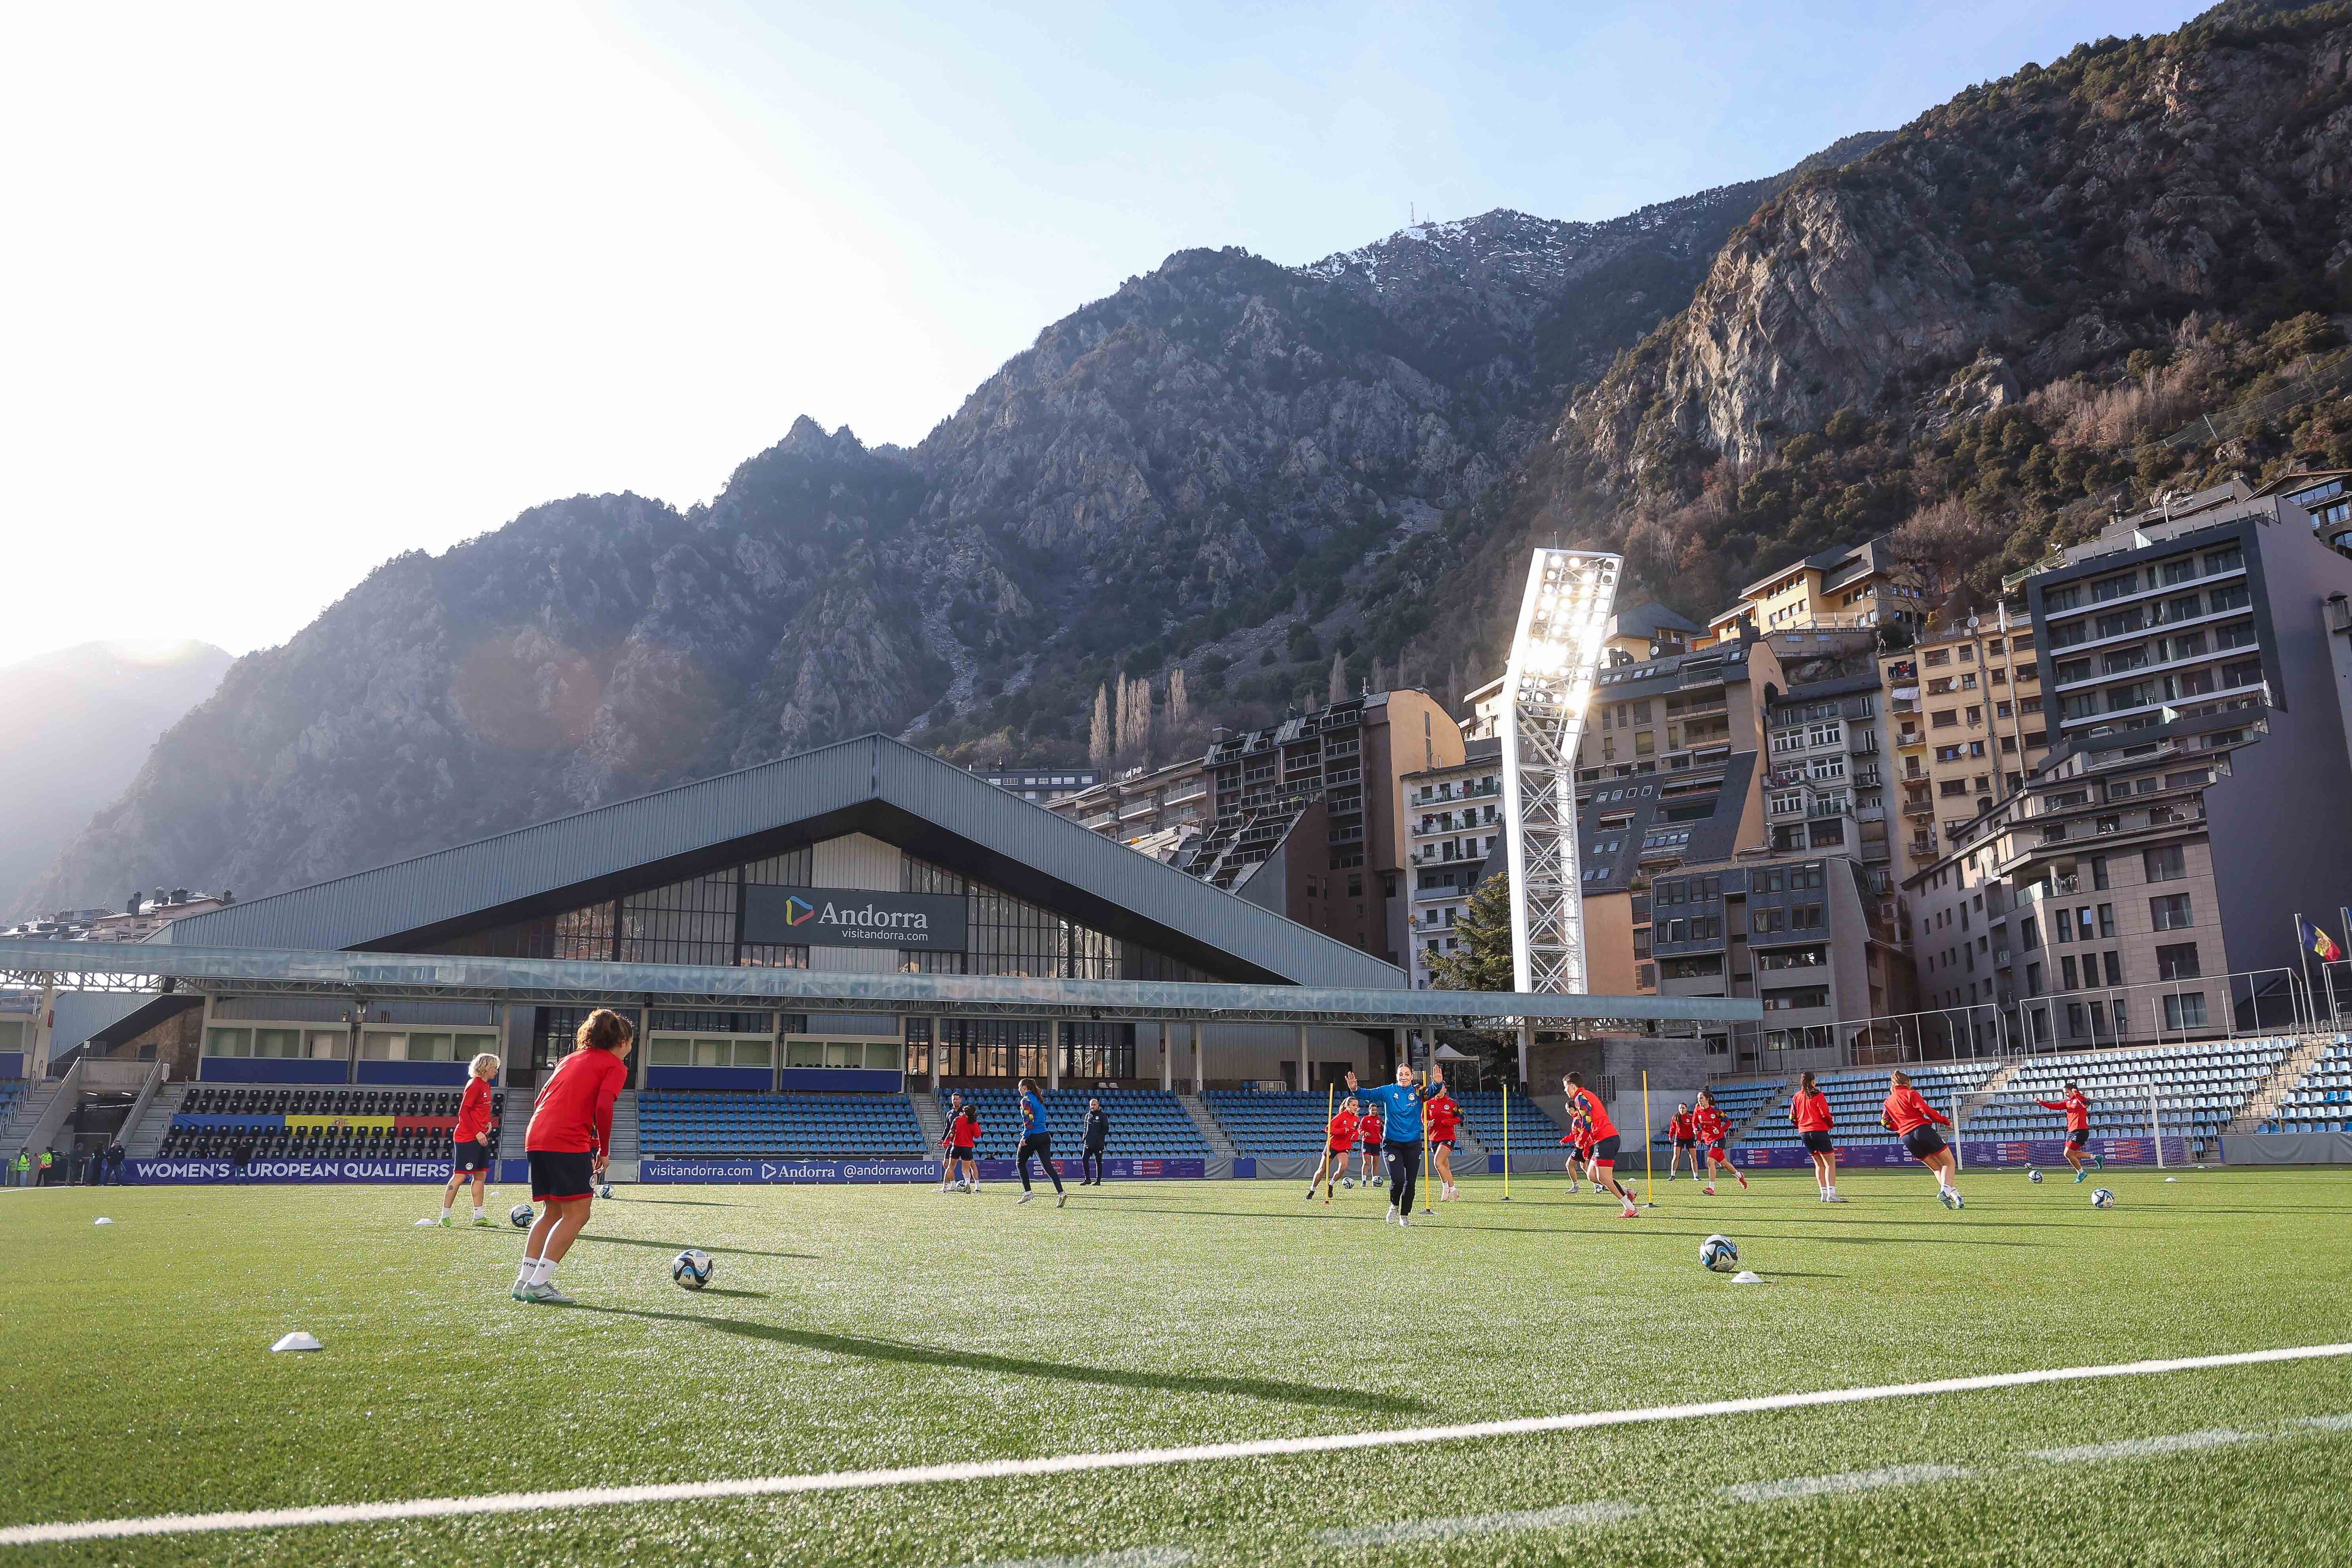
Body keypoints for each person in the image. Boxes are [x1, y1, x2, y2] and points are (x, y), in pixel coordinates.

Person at [515, 1008, 633, 1303]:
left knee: (551, 1213)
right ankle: (539, 1284)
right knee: (578, 1214)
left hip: (537, 1135)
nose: (631, 1048)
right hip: (565, 1139)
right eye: (631, 1042)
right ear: (621, 1041)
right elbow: (604, 1107)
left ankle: (524, 1280)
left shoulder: (570, 1059)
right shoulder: (614, 1065)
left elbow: (544, 1097)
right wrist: (604, 1149)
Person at [1342, 1061, 1438, 1226]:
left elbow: (1434, 1091)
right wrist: (1355, 1089)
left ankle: (1404, 1215)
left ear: (1412, 1076)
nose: (1404, 1077)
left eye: (1407, 1074)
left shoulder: (1418, 1091)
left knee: (1411, 1182)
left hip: (1413, 1143)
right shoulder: (1389, 1091)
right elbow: (1369, 1094)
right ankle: (1394, 1206)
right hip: (1392, 1143)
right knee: (1398, 1180)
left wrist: (1438, 1082)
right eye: (1401, 1074)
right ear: (1397, 1076)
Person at [1881, 1068, 1963, 1209]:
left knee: (1937, 1168)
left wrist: (1900, 1126)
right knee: (1949, 1163)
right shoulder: (1911, 1093)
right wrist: (1945, 1121)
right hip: (1921, 1130)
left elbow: (1885, 1122)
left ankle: (1954, 1195)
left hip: (1907, 1138)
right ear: (1907, 1083)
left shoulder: (1888, 1101)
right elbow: (1926, 1110)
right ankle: (1945, 1191)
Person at [437, 1052, 502, 1227]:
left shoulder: (486, 1086)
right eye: (494, 1067)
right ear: (485, 1067)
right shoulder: (475, 1085)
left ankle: (479, 1217)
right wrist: (477, 1132)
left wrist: (487, 1123)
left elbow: (479, 1111)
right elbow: (463, 1113)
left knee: (480, 1175)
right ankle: (445, 1216)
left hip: (480, 1136)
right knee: (460, 1176)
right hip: (468, 1137)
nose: (496, 1071)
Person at [1562, 1073, 1640, 1219]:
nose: (1565, 1091)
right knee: (1592, 1175)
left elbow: (1588, 1121)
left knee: (1603, 1177)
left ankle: (1630, 1208)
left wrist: (1581, 1141)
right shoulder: (1585, 1095)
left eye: (1566, 1087)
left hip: (1606, 1138)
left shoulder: (1580, 1097)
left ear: (1572, 1086)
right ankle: (1627, 1191)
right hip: (1602, 1139)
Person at [1789, 1071, 1842, 1203]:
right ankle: (1832, 1194)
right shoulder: (1818, 1095)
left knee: (1819, 1164)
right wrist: (1830, 1124)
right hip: (1818, 1130)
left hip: (1804, 1133)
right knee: (1830, 1164)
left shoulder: (1796, 1097)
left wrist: (1801, 1126)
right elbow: (1825, 1113)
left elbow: (1792, 1117)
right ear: (1813, 1082)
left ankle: (1823, 1194)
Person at [2034, 1081, 2101, 1181]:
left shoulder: (2080, 1099)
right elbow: (2055, 1106)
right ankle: (2096, 1158)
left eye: (2067, 1092)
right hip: (2071, 1131)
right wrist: (2042, 1103)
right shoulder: (2067, 1102)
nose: (2066, 1094)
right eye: (2065, 1092)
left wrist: (2077, 1094)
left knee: (2068, 1154)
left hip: (2081, 1131)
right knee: (2071, 1154)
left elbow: (2086, 1105)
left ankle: (2081, 1173)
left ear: (2073, 1091)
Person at [1014, 1077, 1065, 1206]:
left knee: (1020, 1163)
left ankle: (1028, 1192)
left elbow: (1029, 1121)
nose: (1019, 1090)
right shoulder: (1038, 1099)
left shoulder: (1026, 1100)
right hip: (1045, 1135)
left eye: (1020, 1087)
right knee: (1048, 1167)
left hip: (1033, 1136)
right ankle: (1061, 1192)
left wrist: (1024, 1137)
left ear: (1024, 1088)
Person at [1692, 1089, 1748, 1195]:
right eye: (1698, 1099)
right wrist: (1697, 1134)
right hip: (1708, 1140)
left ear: (1707, 1099)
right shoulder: (1697, 1109)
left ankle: (1711, 1188)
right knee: (1725, 1164)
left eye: (1701, 1099)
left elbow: (1729, 1123)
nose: (1700, 1101)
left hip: (1719, 1139)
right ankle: (1740, 1176)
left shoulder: (1717, 1111)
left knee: (1710, 1161)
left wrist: (1720, 1130)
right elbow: (1695, 1123)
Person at [1308, 1096, 1361, 1204]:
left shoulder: (1356, 1119)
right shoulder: (1341, 1116)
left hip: (1344, 1147)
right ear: (1347, 1106)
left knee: (1343, 1167)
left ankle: (1331, 1184)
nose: (1356, 1107)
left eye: (1357, 1105)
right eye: (1354, 1105)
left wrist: (1355, 1136)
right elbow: (1328, 1129)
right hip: (1332, 1145)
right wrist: (1342, 1131)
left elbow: (1355, 1131)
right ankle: (1312, 1190)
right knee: (1322, 1170)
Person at [1424, 1083, 1463, 1201]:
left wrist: (1448, 1122)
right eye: (1437, 1089)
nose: (1439, 1091)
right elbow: (1424, 1118)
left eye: (1441, 1089)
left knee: (1437, 1162)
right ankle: (1454, 1191)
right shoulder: (1429, 1103)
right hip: (1434, 1138)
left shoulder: (1452, 1103)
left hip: (1448, 1138)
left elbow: (1461, 1117)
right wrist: (1427, 1123)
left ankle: (1445, 1187)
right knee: (1445, 1167)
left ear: (1445, 1090)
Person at [936, 1092, 968, 1193]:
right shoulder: (949, 1113)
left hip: (963, 1142)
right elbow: (947, 1128)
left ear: (961, 1100)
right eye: (953, 1099)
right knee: (946, 1164)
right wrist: (943, 1139)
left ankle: (976, 1185)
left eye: (957, 1099)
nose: (955, 1101)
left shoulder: (965, 1112)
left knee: (970, 1165)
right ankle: (953, 1185)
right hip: (952, 1142)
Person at [950, 1100, 982, 1192]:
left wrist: (946, 1142)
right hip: (967, 1147)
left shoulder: (958, 1120)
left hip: (956, 1146)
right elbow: (977, 1135)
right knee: (971, 1167)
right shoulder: (973, 1122)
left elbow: (951, 1132)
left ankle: (946, 1185)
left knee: (952, 1167)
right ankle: (976, 1186)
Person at [1080, 1096, 1110, 1186]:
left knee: (1098, 1162)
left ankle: (1098, 1181)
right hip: (1088, 1143)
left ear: (1098, 1105)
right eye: (1091, 1105)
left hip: (1098, 1144)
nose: (1093, 1106)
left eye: (1094, 1105)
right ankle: (1087, 1179)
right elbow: (1085, 1128)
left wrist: (1099, 1138)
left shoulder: (1103, 1116)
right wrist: (1084, 1137)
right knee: (1084, 1159)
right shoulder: (1087, 1116)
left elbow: (1106, 1129)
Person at [1665, 1103, 1698, 1182]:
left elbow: (1695, 1126)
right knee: (1676, 1157)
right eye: (1680, 1108)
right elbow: (1672, 1128)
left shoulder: (1691, 1117)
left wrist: (1697, 1134)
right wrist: (1671, 1136)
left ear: (1687, 1109)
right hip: (1679, 1138)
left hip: (1690, 1138)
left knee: (1693, 1158)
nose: (1682, 1110)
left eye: (1683, 1108)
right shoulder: (1676, 1117)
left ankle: (1696, 1176)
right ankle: (1672, 1175)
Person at [1357, 1103, 1385, 1188]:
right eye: (1372, 1110)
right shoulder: (1365, 1119)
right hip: (1367, 1143)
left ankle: (1375, 1181)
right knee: (1367, 1162)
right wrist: (1364, 1133)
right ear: (1369, 1110)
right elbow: (1359, 1129)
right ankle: (1364, 1181)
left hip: (1376, 1143)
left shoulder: (1379, 1120)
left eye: (1375, 1110)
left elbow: (1382, 1131)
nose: (1374, 1111)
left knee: (1375, 1163)